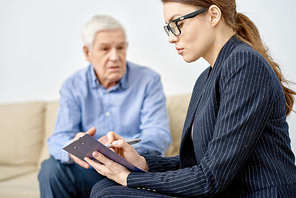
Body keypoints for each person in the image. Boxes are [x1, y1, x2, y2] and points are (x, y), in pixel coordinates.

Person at [86, 0, 296, 197]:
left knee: (109, 193)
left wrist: (129, 177)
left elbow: (210, 177)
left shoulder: (244, 63)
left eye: (178, 23)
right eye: (168, 27)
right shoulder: (205, 79)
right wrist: (143, 163)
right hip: (222, 190)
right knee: (105, 187)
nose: (172, 37)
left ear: (213, 15)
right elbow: (195, 163)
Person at [37, 15, 171, 198]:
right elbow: (58, 138)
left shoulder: (149, 80)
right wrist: (74, 147)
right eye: (105, 49)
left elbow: (158, 135)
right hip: (90, 167)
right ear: (87, 53)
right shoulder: (73, 85)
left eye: (120, 48)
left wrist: (124, 151)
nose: (115, 56)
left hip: (131, 169)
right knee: (50, 170)